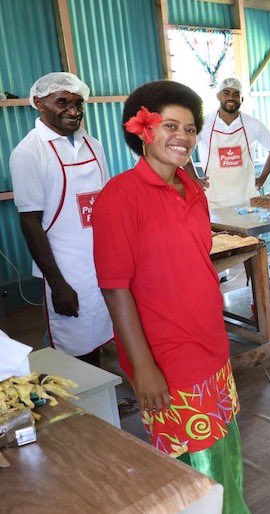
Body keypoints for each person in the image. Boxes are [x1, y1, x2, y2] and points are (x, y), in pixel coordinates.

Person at [91, 80, 248, 513]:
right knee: (194, 468)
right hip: (166, 352)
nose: (183, 136)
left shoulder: (191, 186)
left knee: (225, 449)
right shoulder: (119, 198)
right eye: (170, 126)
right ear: (143, 129)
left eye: (191, 128)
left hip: (210, 341)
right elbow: (115, 287)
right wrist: (143, 368)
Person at [9, 72, 113, 363]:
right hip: (66, 267)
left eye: (78, 103)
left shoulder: (93, 144)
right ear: (40, 103)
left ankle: (108, 397)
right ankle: (83, 402)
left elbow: (104, 204)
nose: (74, 110)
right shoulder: (28, 153)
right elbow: (30, 223)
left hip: (102, 257)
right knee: (76, 341)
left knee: (108, 327)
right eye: (63, 102)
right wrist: (58, 284)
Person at [186, 77, 270, 209]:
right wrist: (194, 178)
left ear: (241, 99)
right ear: (218, 96)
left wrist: (262, 178)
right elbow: (185, 150)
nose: (231, 97)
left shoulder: (252, 124)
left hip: (247, 199)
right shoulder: (204, 123)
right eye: (226, 93)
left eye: (236, 94)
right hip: (214, 200)